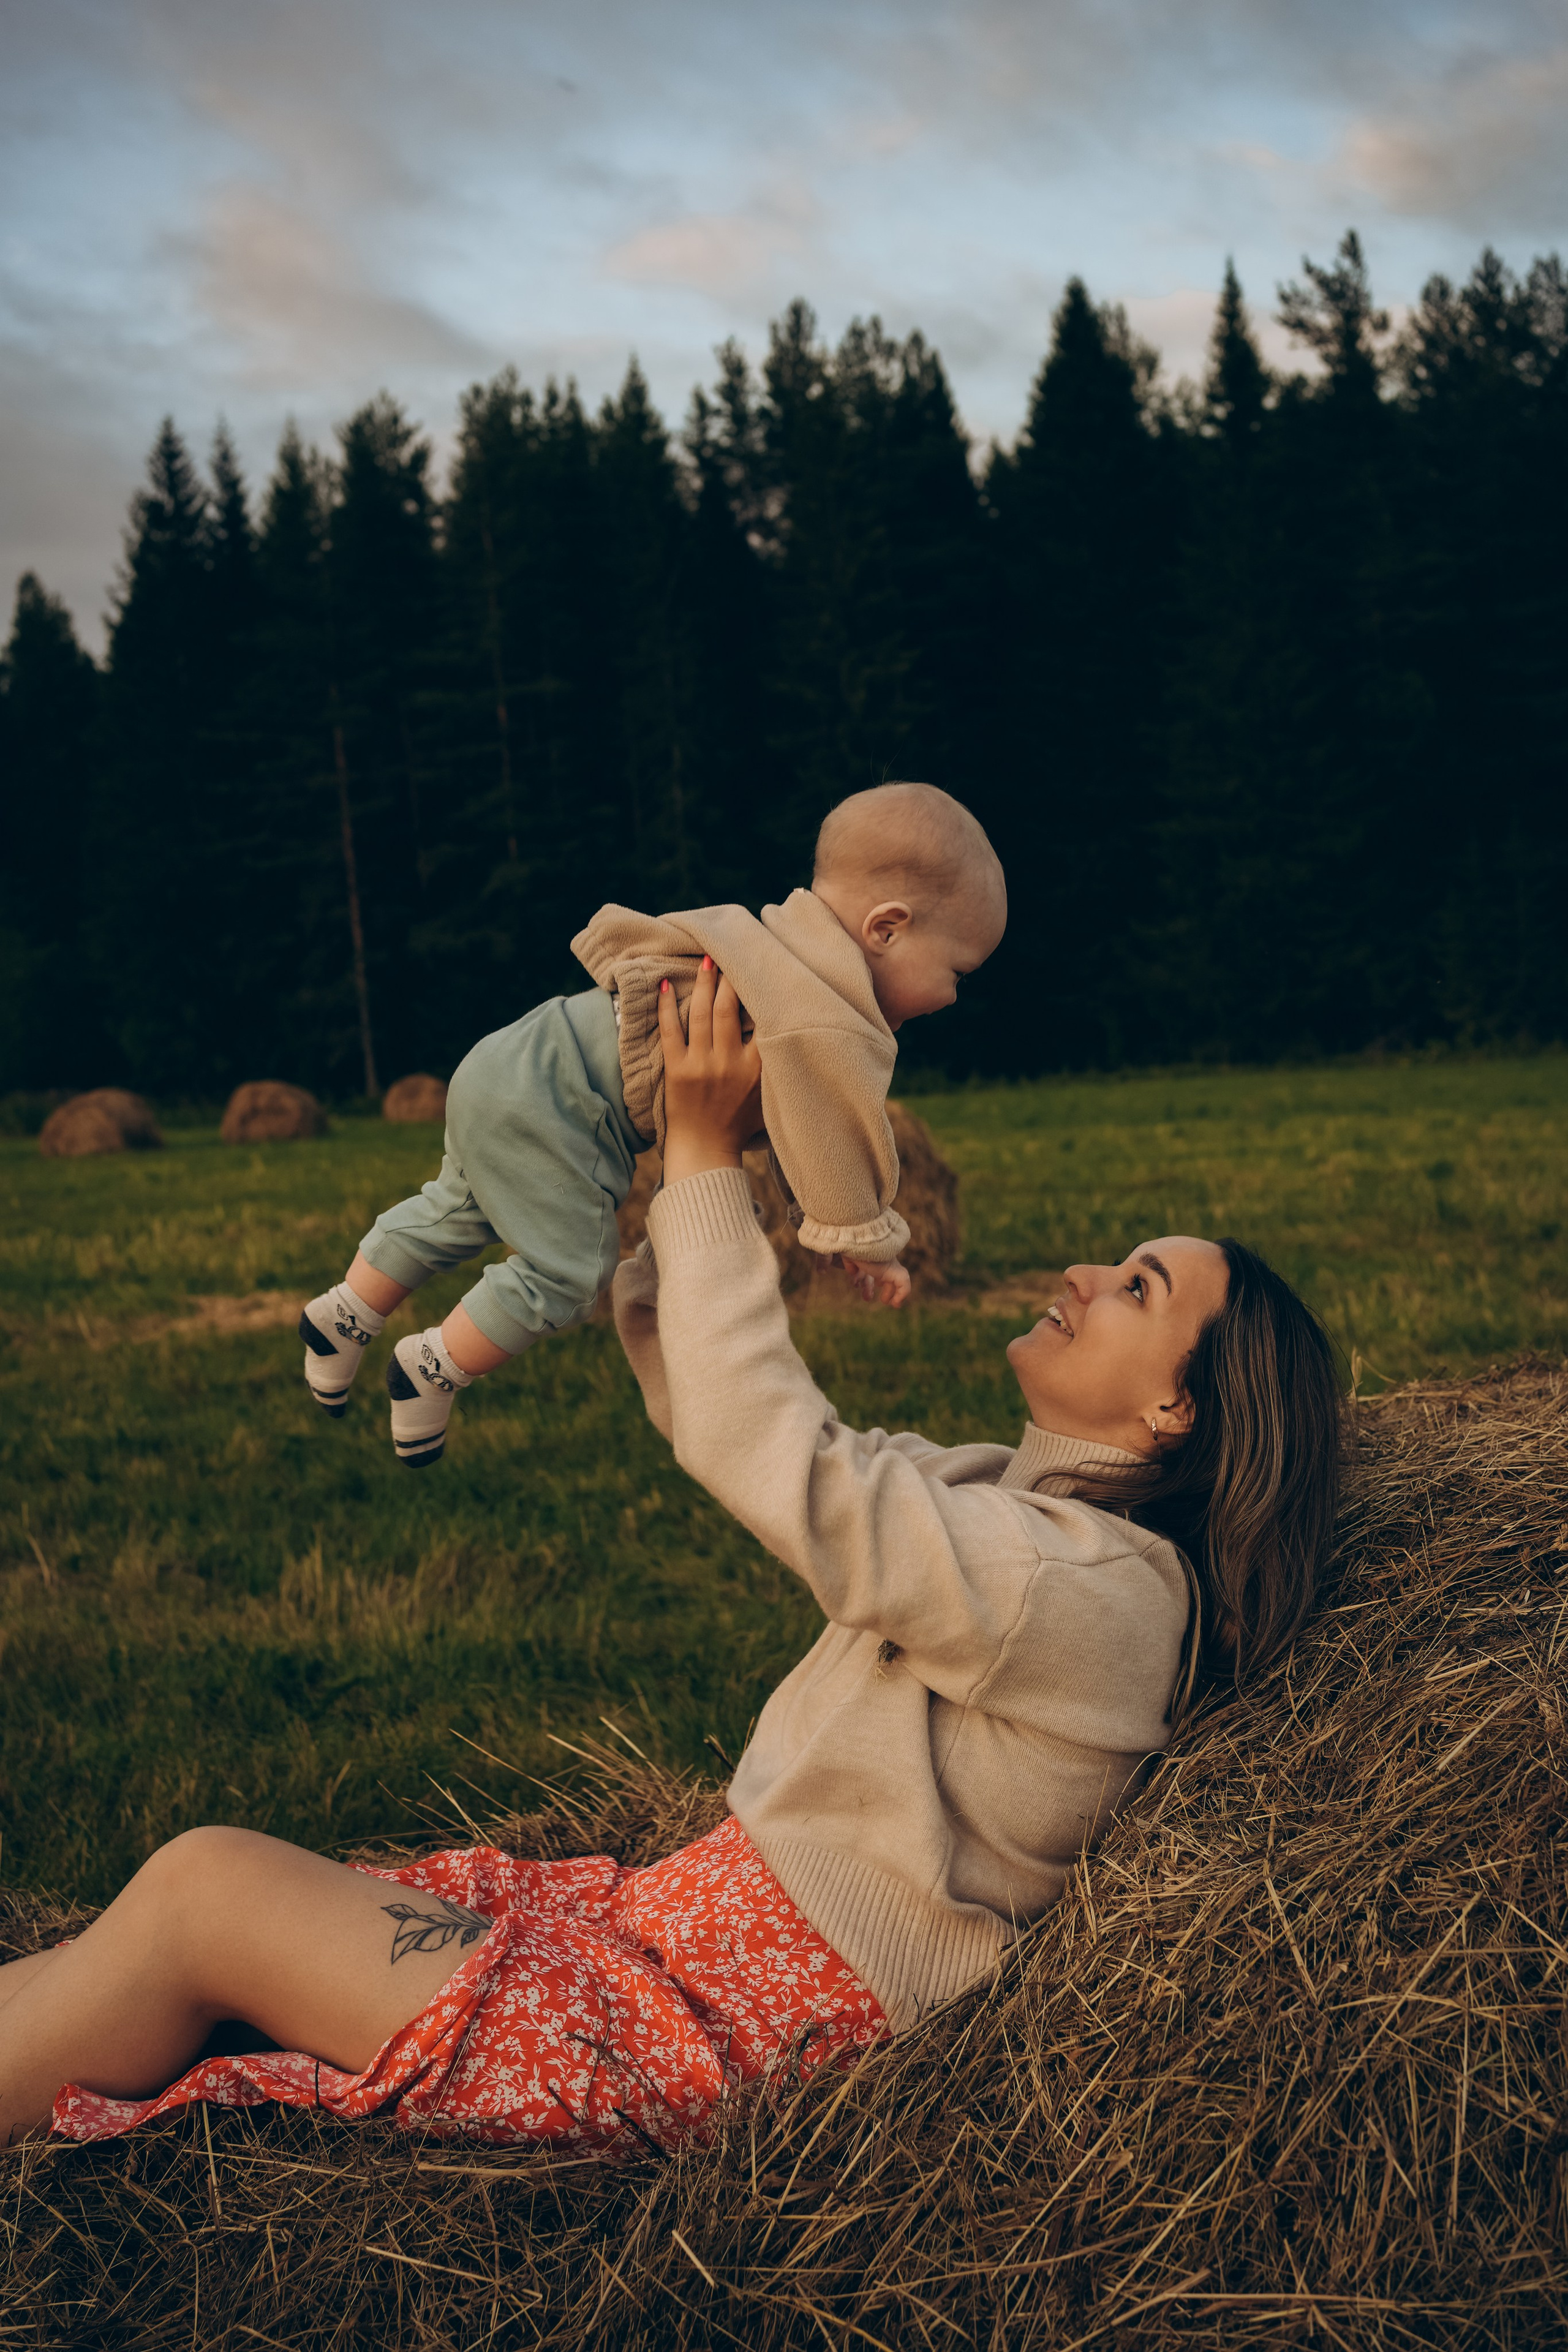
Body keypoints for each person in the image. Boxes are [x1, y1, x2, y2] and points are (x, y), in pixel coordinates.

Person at [0, 966, 1341, 2153]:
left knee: (207, 1892)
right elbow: (749, 1416)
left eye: (1138, 1288)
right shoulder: (1018, 1515)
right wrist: (688, 1188)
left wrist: (703, 1157)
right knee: (152, 1933)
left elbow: (786, 1462)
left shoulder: (1092, 1588)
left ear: (1175, 1410)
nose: (1084, 1269)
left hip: (716, 2043)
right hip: (672, 1958)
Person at [299, 781, 1007, 1465]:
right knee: (570, 1274)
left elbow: (797, 1123)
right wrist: (866, 1236)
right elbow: (835, 1132)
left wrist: (813, 1223)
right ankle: (431, 1367)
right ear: (886, 927)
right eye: (960, 972)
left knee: (458, 1209)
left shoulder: (771, 953)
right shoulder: (824, 1013)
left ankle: (343, 1315)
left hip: (514, 1058)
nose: (953, 998)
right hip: (561, 1106)